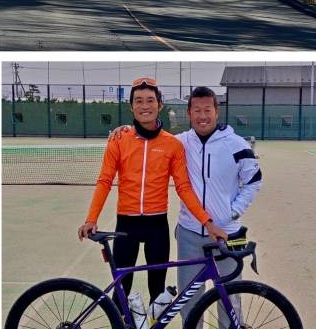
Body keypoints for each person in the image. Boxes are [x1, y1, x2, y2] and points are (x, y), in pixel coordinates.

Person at [114, 86, 262, 323]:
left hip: (226, 234)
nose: (202, 116)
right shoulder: (179, 142)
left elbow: (254, 181)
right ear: (189, 114)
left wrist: (232, 212)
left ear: (216, 111)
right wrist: (126, 130)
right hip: (189, 235)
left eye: (207, 110)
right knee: (190, 304)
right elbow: (149, 135)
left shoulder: (236, 144)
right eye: (197, 110)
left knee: (229, 301)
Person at [78, 78, 227, 303]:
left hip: (156, 225)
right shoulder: (119, 139)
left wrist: (207, 222)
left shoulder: (172, 145)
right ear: (131, 106)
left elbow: (183, 188)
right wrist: (91, 219)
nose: (144, 106)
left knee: (157, 294)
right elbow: (105, 181)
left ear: (160, 104)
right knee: (120, 293)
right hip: (125, 225)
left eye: (150, 100)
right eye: (138, 101)